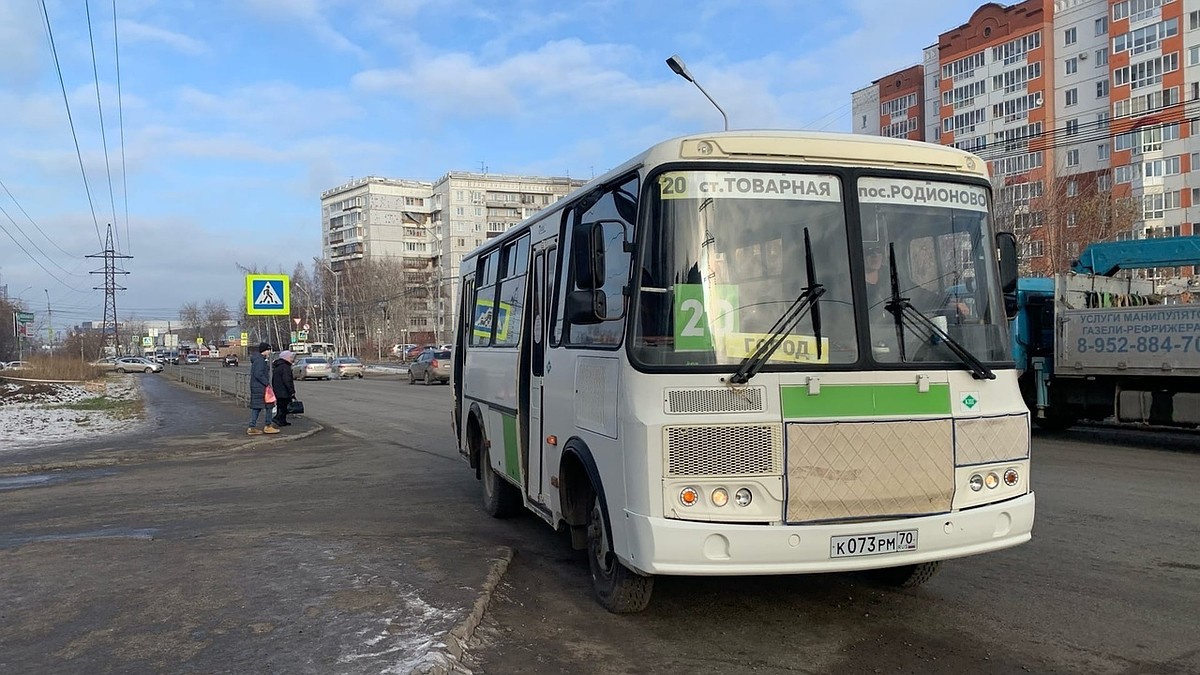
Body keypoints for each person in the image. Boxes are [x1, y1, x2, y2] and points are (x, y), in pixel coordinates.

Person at [247, 342, 279, 435]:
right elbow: (259, 374)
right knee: (269, 405)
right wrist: (267, 383)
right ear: (264, 350)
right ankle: (268, 426)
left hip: (256, 387)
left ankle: (252, 427)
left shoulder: (257, 359)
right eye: (268, 350)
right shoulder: (260, 361)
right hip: (261, 388)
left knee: (256, 407)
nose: (269, 352)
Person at [272, 350, 297, 427]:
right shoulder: (285, 367)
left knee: (281, 406)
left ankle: (282, 421)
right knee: (284, 407)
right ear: (286, 358)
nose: (292, 359)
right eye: (290, 357)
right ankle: (278, 419)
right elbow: (287, 380)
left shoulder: (279, 366)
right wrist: (292, 391)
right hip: (284, 391)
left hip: (278, 389)